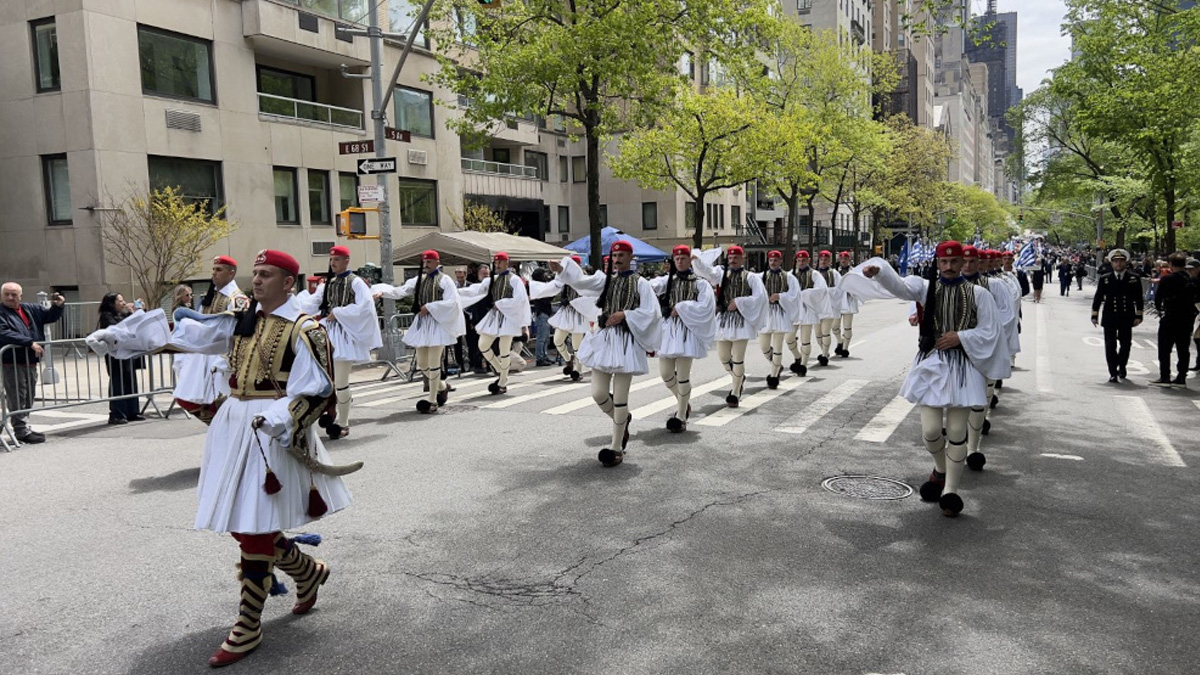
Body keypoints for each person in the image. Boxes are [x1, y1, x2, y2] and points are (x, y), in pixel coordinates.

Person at [88, 250, 356, 668]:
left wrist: (281, 417)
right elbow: (187, 337)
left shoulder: (306, 329)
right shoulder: (241, 319)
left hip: (270, 431)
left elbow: (317, 390)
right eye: (256, 273)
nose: (258, 279)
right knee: (243, 521)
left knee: (252, 525)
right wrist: (123, 337)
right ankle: (305, 570)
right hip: (234, 424)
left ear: (289, 283)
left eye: (267, 274)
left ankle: (249, 622)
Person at [844, 241, 1002, 517]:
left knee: (955, 431)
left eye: (955, 262)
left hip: (963, 369)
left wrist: (961, 337)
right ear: (937, 263)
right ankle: (940, 469)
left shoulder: (979, 294)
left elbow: (991, 331)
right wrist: (878, 270)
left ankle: (951, 491)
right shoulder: (926, 288)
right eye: (945, 262)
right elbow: (900, 286)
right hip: (931, 367)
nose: (951, 267)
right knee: (930, 432)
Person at [552, 241, 660, 466]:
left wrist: (625, 315)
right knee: (598, 393)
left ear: (631, 256)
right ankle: (623, 420)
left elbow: (651, 313)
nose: (617, 259)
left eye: (621, 255)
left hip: (625, 343)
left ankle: (616, 447)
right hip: (604, 340)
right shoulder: (605, 280)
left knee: (620, 399)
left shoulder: (641, 284)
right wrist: (563, 270)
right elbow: (582, 282)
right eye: (615, 255)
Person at [299, 246, 383, 439]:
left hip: (344, 337)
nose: (333, 263)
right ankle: (330, 412)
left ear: (347, 260)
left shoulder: (356, 283)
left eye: (337, 259)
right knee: (323, 379)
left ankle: (343, 423)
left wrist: (338, 312)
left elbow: (364, 307)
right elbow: (313, 303)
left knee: (341, 382)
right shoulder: (327, 283)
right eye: (331, 260)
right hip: (325, 334)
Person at [372, 250, 464, 413]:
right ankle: (442, 386)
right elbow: (402, 291)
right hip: (423, 325)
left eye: (429, 262)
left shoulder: (445, 280)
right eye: (424, 262)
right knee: (422, 363)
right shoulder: (418, 280)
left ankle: (432, 399)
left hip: (438, 324)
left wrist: (430, 307)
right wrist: (383, 293)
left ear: (437, 262)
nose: (426, 265)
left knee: (434, 362)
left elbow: (453, 302)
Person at [173, 256, 249, 423]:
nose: (214, 273)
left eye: (219, 270)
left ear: (231, 273)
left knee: (224, 406)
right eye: (213, 270)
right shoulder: (210, 297)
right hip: (204, 358)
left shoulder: (237, 299)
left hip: (223, 360)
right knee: (188, 399)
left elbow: (239, 334)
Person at [692, 245, 768, 407]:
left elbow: (760, 298)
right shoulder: (722, 274)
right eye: (731, 258)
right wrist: (697, 261)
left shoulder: (751, 277)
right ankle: (738, 377)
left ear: (743, 258)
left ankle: (735, 391)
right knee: (723, 357)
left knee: (738, 359)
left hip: (741, 322)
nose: (732, 260)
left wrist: (740, 302)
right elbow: (708, 272)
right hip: (724, 321)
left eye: (736, 258)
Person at [651, 245, 716, 432]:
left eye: (683, 258)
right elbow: (648, 288)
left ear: (690, 260)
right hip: (669, 331)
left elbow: (706, 307)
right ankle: (683, 401)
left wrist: (681, 307)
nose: (679, 261)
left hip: (687, 332)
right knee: (666, 374)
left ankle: (680, 416)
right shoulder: (667, 281)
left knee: (683, 376)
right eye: (676, 259)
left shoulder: (700, 283)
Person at [959, 247, 1014, 471]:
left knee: (978, 398)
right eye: (966, 261)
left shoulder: (995, 286)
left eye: (975, 262)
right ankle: (956, 438)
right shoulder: (946, 285)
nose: (970, 266)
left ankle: (973, 447)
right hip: (957, 349)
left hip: (982, 348)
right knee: (956, 398)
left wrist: (983, 335)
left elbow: (1006, 315)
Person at [0, 283, 65, 444]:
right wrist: (29, 342)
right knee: (17, 396)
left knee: (28, 396)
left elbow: (49, 316)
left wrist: (58, 306)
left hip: (30, 360)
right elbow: (4, 333)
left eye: (13, 294)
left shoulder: (30, 308)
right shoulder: (1, 312)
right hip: (11, 360)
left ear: (20, 296)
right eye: (6, 294)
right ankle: (21, 430)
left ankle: (23, 426)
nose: (10, 297)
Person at [458, 252, 531, 395]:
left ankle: (502, 381)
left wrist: (523, 325)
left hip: (508, 318)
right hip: (494, 317)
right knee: (483, 345)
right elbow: (475, 290)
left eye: (500, 262)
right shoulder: (492, 279)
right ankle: (499, 370)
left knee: (504, 350)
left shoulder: (515, 280)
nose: (497, 265)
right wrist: (455, 293)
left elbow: (521, 301)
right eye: (496, 262)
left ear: (507, 263)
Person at [528, 254, 601, 381]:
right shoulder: (563, 278)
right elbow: (555, 288)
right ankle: (568, 359)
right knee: (557, 340)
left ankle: (578, 370)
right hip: (566, 312)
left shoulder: (584, 278)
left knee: (577, 345)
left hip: (579, 313)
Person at [1091, 249, 1143, 383]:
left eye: (1121, 261)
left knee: (1126, 344)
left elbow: (1138, 298)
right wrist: (1094, 314)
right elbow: (1098, 297)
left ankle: (1122, 365)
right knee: (1110, 345)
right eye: (1115, 261)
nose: (1118, 264)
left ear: (1125, 262)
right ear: (1112, 263)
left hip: (1126, 315)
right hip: (1110, 315)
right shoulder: (1106, 278)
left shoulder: (1133, 278)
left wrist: (1139, 314)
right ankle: (1113, 371)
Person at [97, 293, 147, 425]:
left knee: (130, 379)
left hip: (127, 352)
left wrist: (137, 312)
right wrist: (131, 315)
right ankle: (117, 413)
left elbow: (134, 325)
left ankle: (133, 411)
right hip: (115, 354)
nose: (124, 303)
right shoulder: (106, 316)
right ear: (112, 303)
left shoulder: (122, 315)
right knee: (118, 381)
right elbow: (118, 329)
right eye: (120, 301)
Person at [1150, 252, 1198, 387]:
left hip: (1170, 317)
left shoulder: (1167, 279)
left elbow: (1158, 298)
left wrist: (1160, 309)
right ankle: (1181, 376)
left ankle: (1165, 376)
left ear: (1171, 265)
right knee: (1184, 349)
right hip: (1186, 319)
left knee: (1165, 348)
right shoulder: (1191, 280)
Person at [755, 250, 801, 390]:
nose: (773, 262)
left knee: (778, 347)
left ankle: (774, 376)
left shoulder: (789, 277)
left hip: (780, 314)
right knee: (764, 347)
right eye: (770, 260)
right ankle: (777, 365)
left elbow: (795, 295)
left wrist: (780, 296)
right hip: (766, 314)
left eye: (775, 260)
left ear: (781, 261)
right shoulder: (761, 276)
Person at [785, 251, 827, 377]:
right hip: (794, 311)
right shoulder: (790, 274)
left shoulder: (814, 274)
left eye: (803, 260)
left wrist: (805, 294)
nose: (801, 262)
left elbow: (821, 290)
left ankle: (803, 364)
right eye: (799, 260)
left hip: (807, 309)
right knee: (789, 338)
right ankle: (797, 356)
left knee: (805, 339)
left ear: (808, 260)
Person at [814, 250, 842, 365]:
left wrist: (826, 292)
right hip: (816, 307)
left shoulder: (834, 273)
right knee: (817, 333)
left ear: (830, 261)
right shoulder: (814, 273)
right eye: (821, 259)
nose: (823, 261)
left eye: (826, 259)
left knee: (825, 332)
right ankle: (823, 350)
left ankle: (825, 354)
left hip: (829, 307)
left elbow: (839, 289)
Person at [833, 251, 860, 357]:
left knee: (847, 326)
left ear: (849, 260)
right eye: (841, 259)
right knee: (834, 326)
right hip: (838, 302)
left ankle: (845, 348)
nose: (843, 261)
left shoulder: (854, 272)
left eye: (845, 259)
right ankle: (840, 341)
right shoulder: (834, 272)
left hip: (849, 300)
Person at [530, 267, 556, 366]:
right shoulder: (537, 287)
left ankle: (544, 355)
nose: (546, 276)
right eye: (544, 274)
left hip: (546, 312)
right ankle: (540, 357)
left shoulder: (542, 285)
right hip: (542, 313)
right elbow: (547, 298)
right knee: (542, 337)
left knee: (546, 337)